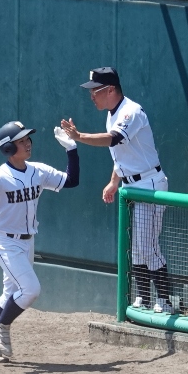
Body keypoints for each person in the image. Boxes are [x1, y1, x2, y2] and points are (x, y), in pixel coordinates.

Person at [61, 67, 174, 314]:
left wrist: (78, 136)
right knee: (138, 248)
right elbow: (121, 155)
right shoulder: (112, 114)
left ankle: (166, 301)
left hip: (149, 183)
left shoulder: (131, 111)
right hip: (131, 183)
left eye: (95, 90)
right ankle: (144, 297)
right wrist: (114, 181)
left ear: (110, 89)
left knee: (148, 246)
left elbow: (112, 139)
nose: (91, 96)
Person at [0, 121, 80, 362]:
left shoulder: (38, 171)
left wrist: (71, 149)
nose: (27, 143)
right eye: (21, 141)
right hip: (4, 241)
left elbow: (71, 180)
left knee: (10, 292)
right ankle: (0, 325)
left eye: (28, 139)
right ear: (8, 148)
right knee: (30, 290)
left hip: (27, 241)